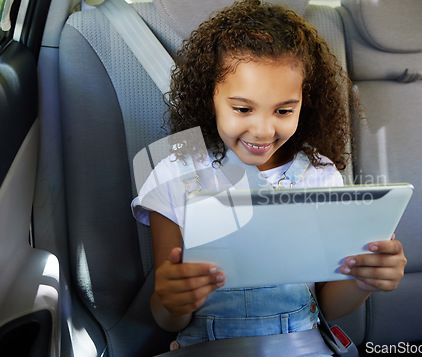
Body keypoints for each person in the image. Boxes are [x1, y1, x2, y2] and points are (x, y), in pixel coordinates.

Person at [131, 0, 407, 351]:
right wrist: (172, 298)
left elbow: (329, 306)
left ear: (303, 101)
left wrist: (364, 280)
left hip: (302, 342)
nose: (262, 130)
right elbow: (167, 316)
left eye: (284, 110)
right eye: (242, 109)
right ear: (210, 95)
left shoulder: (318, 175)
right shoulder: (175, 172)